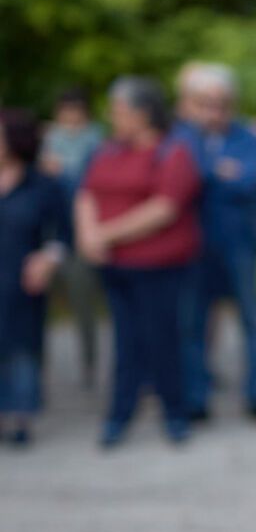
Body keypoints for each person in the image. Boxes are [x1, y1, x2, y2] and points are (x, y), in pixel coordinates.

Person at [75, 77, 203, 447]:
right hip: (116, 266)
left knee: (163, 339)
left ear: (143, 114)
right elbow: (87, 192)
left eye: (120, 111)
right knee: (125, 341)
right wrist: (88, 235)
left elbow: (164, 208)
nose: (114, 118)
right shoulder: (107, 150)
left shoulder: (172, 152)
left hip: (158, 265)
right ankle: (119, 413)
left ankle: (175, 412)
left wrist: (106, 234)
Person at [176, 62, 256, 424]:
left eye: (221, 103)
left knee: (251, 321)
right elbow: (189, 177)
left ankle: (255, 395)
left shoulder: (247, 137)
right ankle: (196, 397)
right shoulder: (185, 136)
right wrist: (219, 168)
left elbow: (248, 181)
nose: (214, 112)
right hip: (196, 245)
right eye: (205, 103)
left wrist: (212, 170)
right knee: (194, 324)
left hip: (240, 243)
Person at [1, 110, 70, 445]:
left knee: (22, 348)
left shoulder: (42, 184)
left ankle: (21, 416)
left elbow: (63, 233)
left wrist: (48, 258)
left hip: (21, 278)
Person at [37, 86, 103, 387]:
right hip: (49, 234)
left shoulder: (97, 141)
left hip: (81, 234)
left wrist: (61, 172)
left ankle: (89, 365)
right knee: (38, 305)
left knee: (83, 302)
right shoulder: (46, 141)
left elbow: (90, 186)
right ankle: (38, 371)